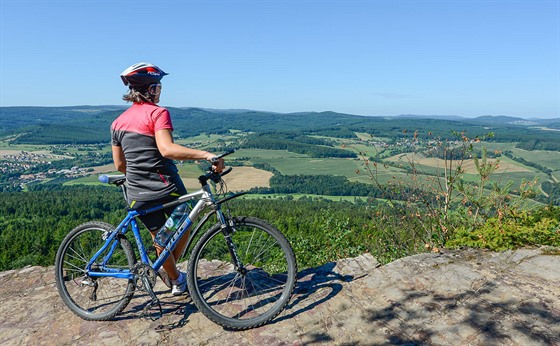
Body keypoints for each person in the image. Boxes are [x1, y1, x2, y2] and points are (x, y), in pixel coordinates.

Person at [111, 62, 224, 295]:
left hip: (137, 191)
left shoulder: (117, 123)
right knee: (184, 226)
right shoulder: (157, 113)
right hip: (166, 188)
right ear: (150, 89)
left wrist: (139, 176)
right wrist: (206, 155)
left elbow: (120, 165)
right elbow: (167, 149)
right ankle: (173, 276)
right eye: (158, 86)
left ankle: (175, 279)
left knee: (160, 237)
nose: (160, 91)